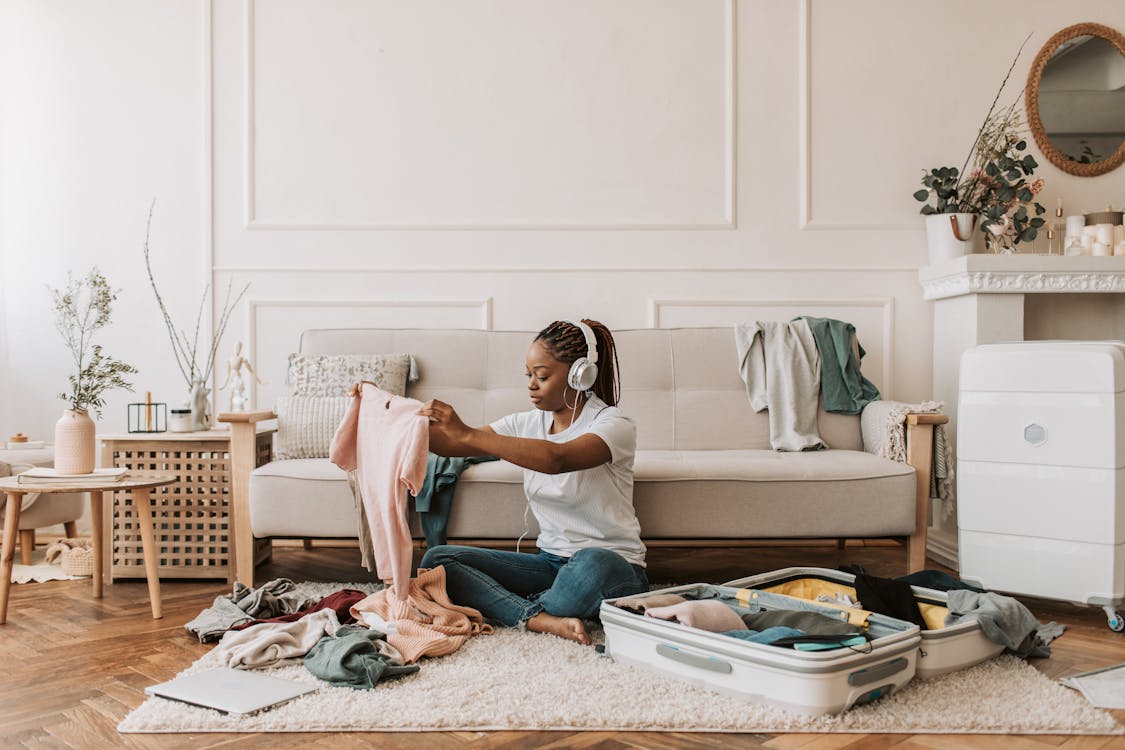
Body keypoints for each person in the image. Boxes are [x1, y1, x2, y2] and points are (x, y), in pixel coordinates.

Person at [418, 319, 648, 645]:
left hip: (613, 567)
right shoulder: (524, 422)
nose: (532, 385)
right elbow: (451, 445)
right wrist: (387, 411)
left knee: (590, 561)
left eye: (542, 376)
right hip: (549, 563)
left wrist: (467, 432)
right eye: (528, 375)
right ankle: (541, 617)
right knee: (437, 561)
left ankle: (518, 606)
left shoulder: (613, 425)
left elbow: (557, 459)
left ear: (578, 375)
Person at [217, 341, 263, 412]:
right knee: (230, 397)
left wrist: (260, 381)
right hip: (232, 380)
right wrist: (223, 385)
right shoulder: (230, 359)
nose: (237, 349)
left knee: (240, 399)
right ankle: (229, 415)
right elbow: (227, 374)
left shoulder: (242, 359)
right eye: (236, 347)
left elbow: (251, 371)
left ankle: (240, 414)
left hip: (238, 380)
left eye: (239, 347)